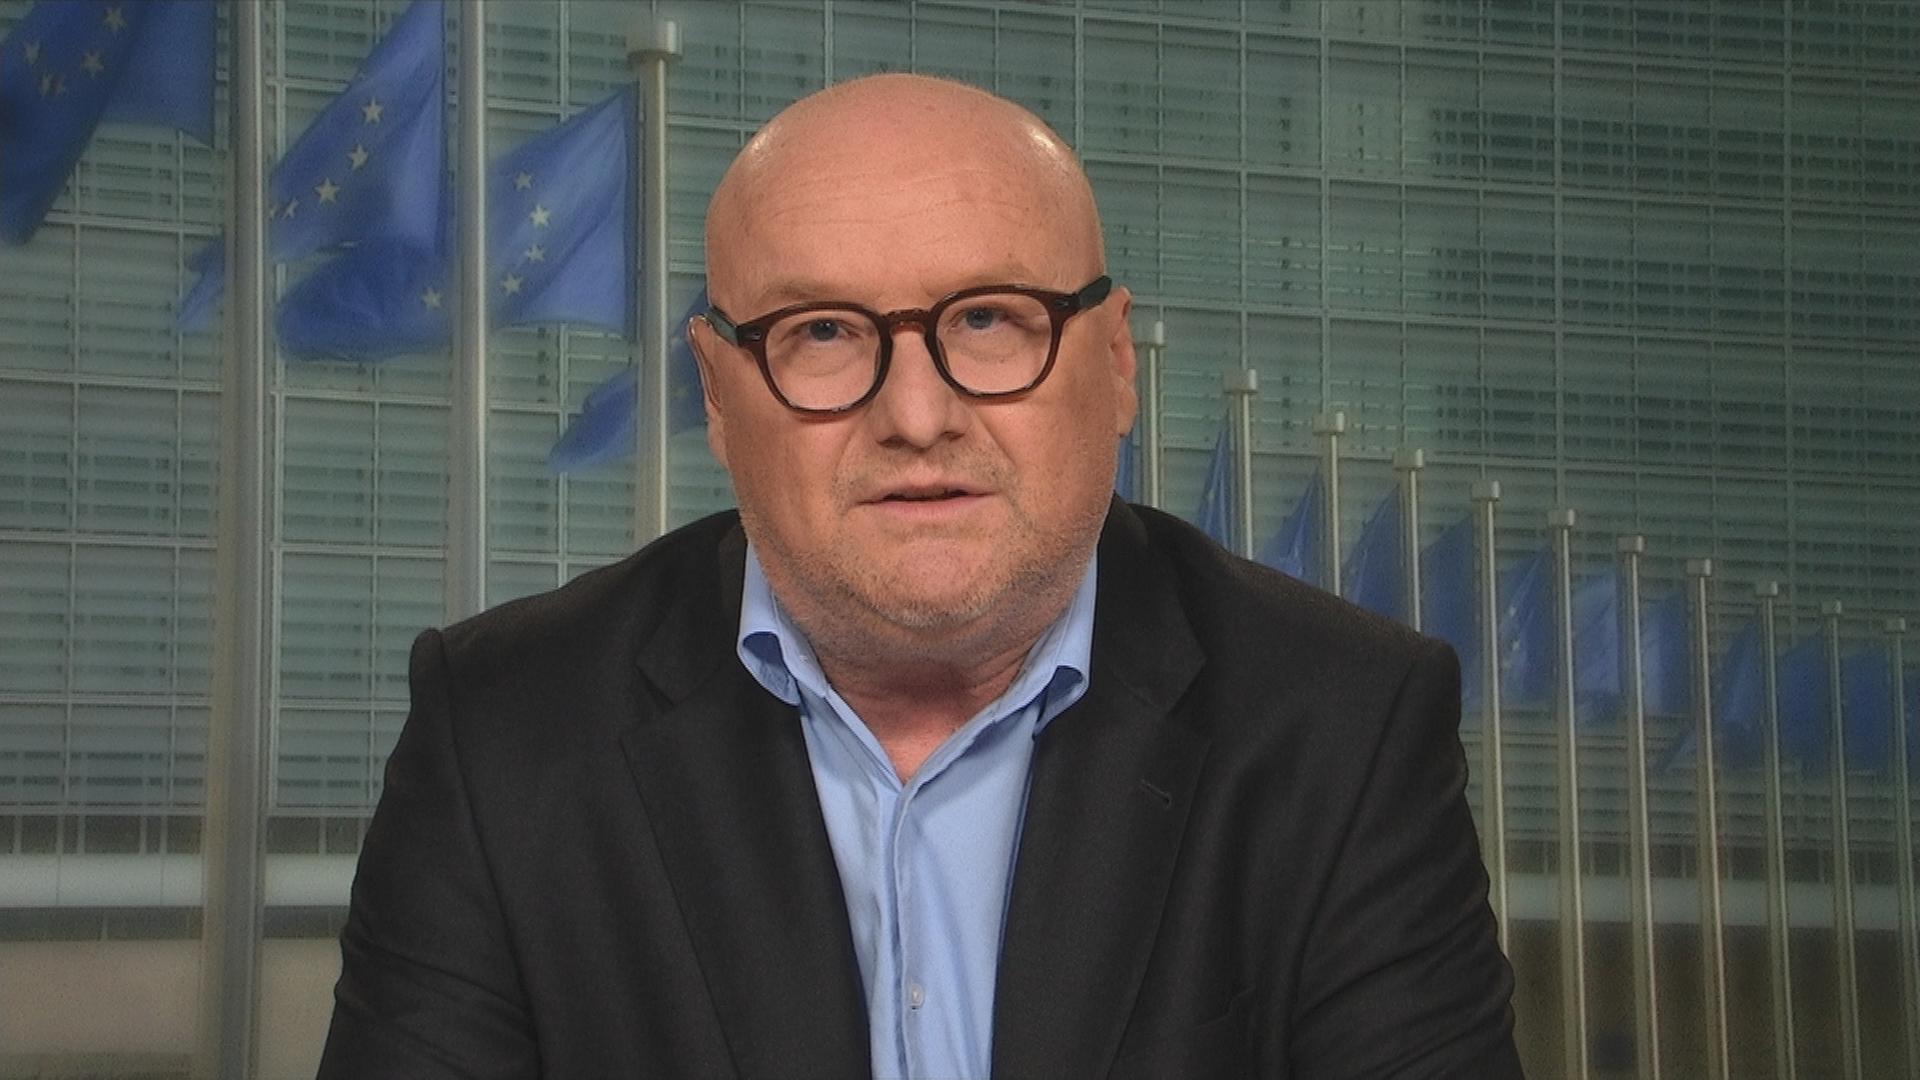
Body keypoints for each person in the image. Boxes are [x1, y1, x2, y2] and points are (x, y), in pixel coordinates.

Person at [317, 74, 1522, 1079]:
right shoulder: (504, 732)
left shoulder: (1344, 726)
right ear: (718, 397)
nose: (916, 414)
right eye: (823, 333)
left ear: (1115, 365)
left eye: (990, 320)